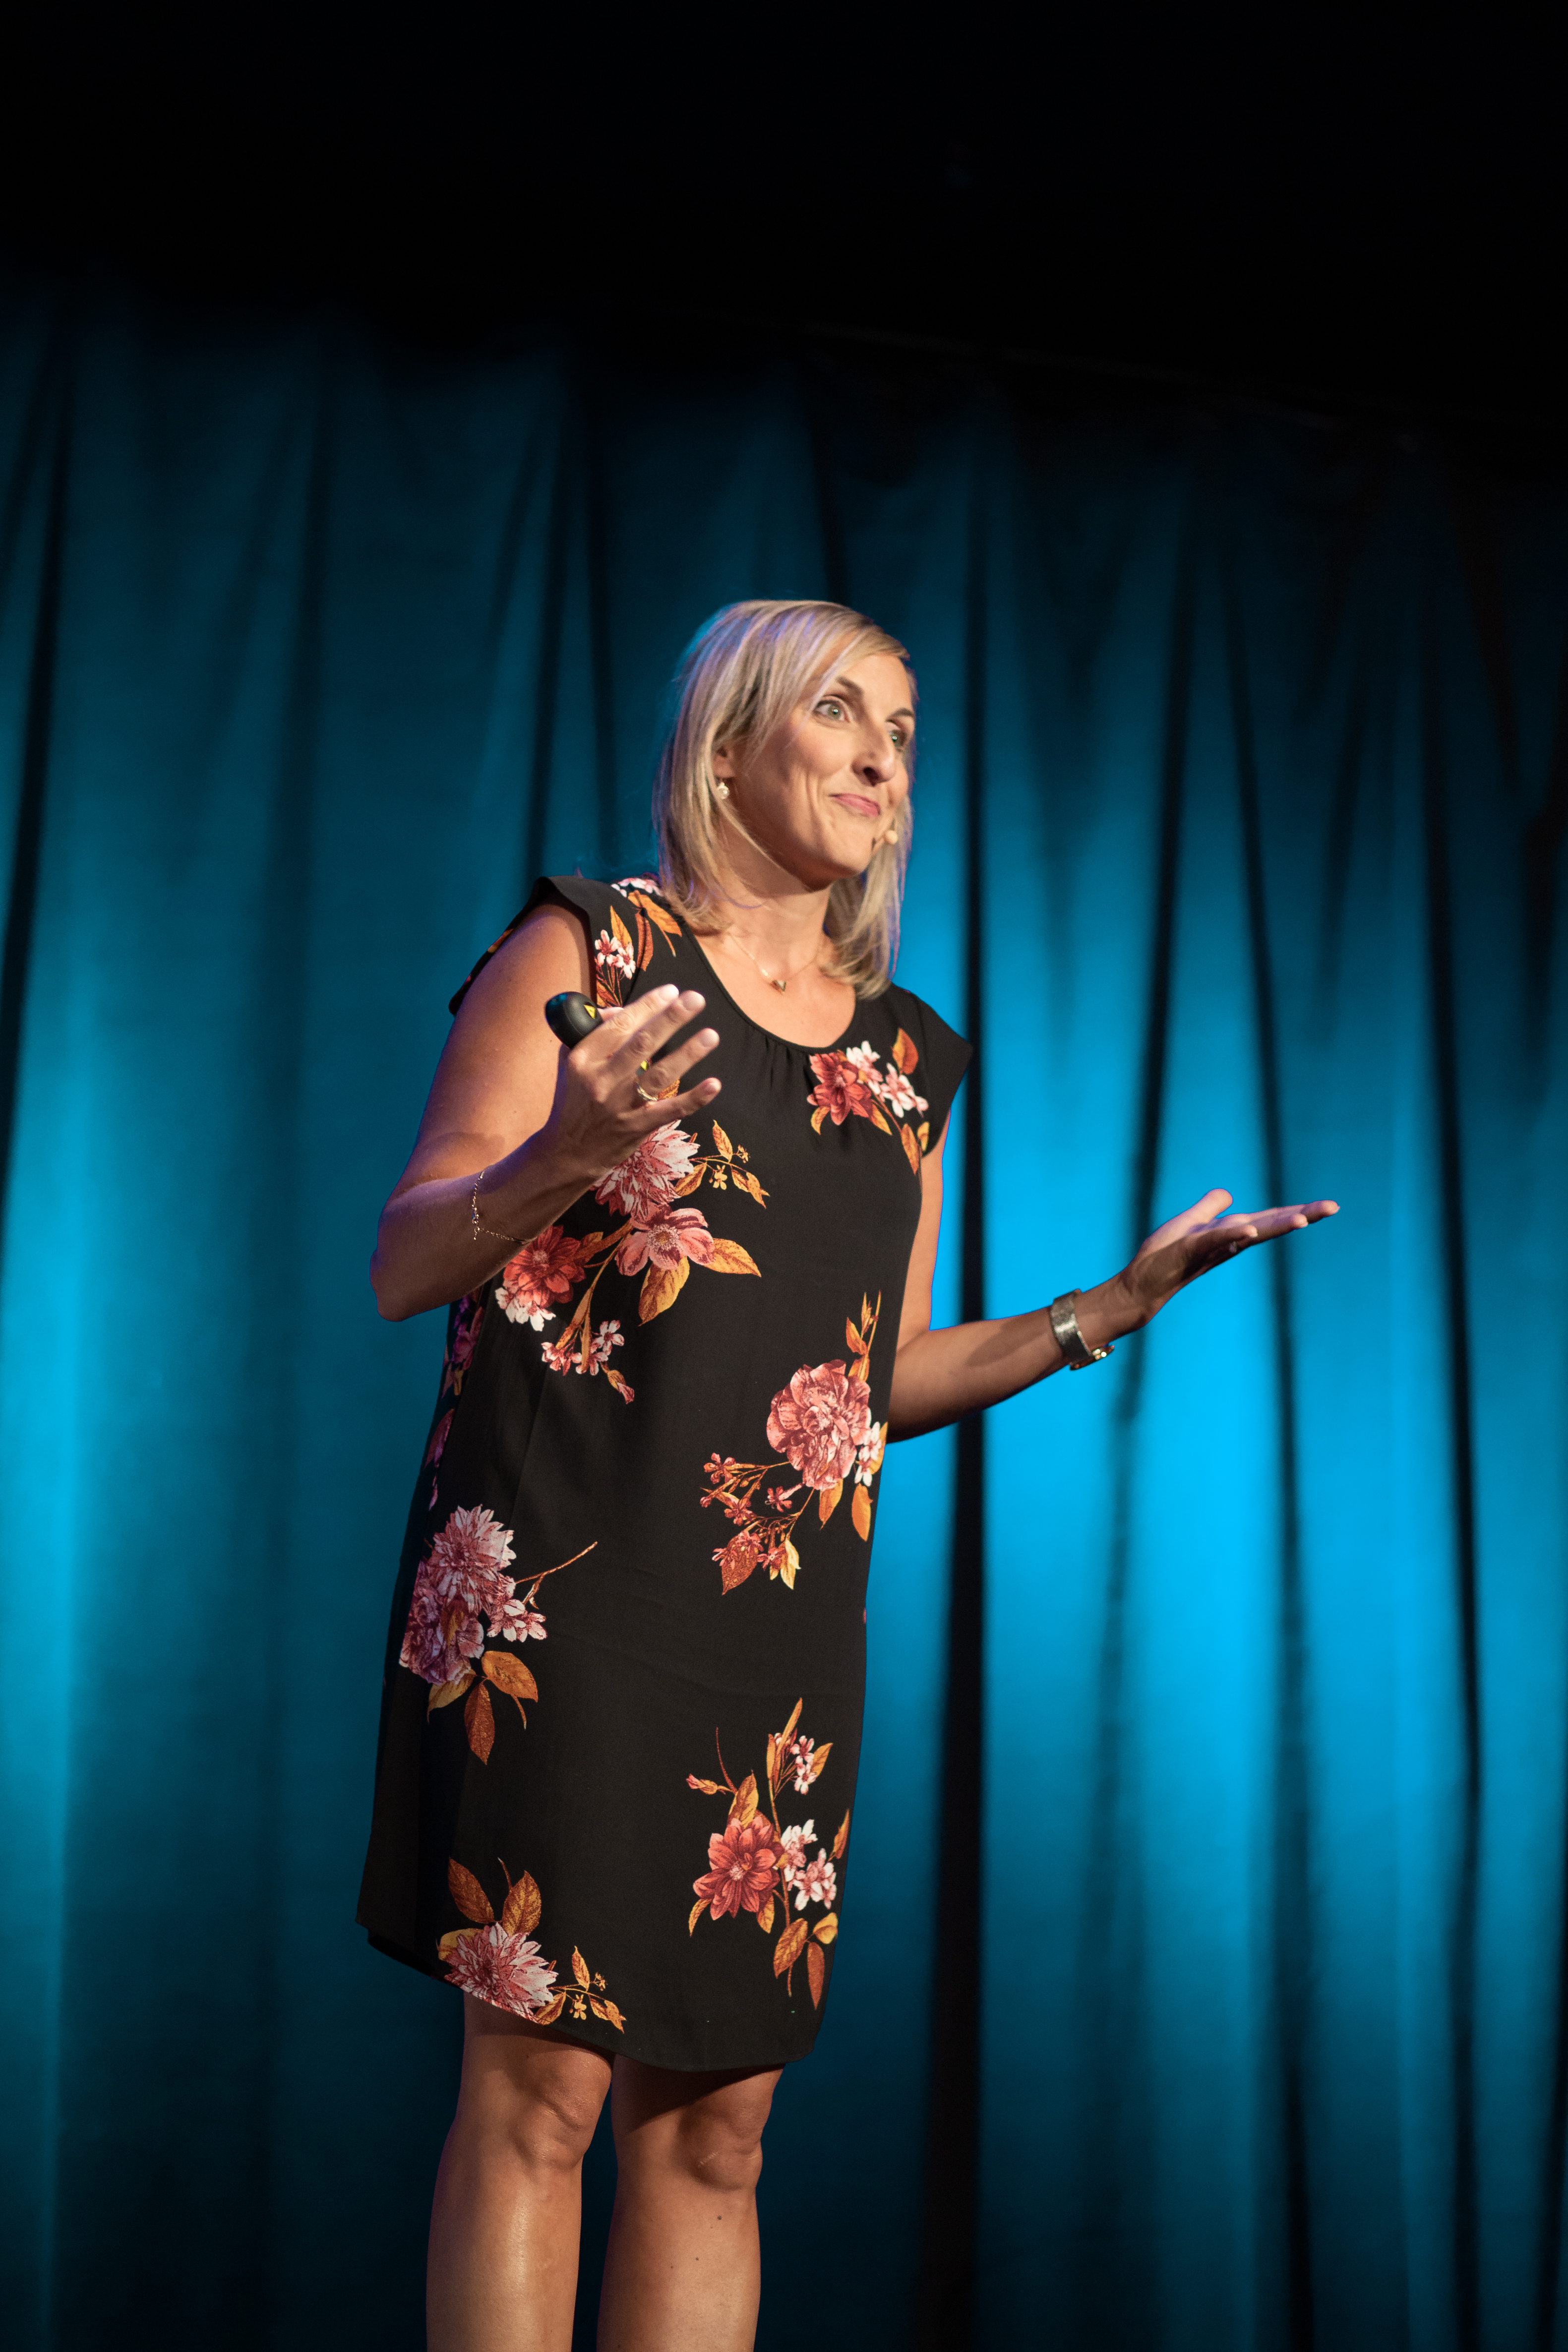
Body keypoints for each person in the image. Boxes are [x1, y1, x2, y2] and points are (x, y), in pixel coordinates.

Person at [359, 599, 1337, 2352]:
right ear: (729, 743)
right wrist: (567, 1149)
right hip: (563, 1602)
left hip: (771, 1640)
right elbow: (406, 1255)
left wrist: (1093, 1311)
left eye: (904, 722)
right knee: (544, 2100)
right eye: (838, 709)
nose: (887, 751)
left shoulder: (904, 1063)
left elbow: (860, 1380)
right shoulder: (594, 952)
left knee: (721, 2135)